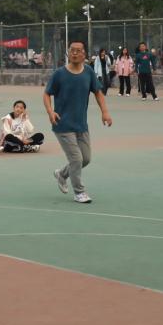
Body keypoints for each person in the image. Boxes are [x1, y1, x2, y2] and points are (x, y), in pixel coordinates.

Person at [43, 40, 113, 204]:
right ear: (68, 53)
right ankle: (79, 192)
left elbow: (98, 93)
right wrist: (50, 112)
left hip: (81, 125)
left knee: (85, 159)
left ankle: (62, 174)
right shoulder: (59, 74)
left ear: (84, 54)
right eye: (72, 50)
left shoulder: (88, 72)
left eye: (78, 50)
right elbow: (46, 94)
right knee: (76, 159)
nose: (74, 53)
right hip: (62, 124)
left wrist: (105, 112)